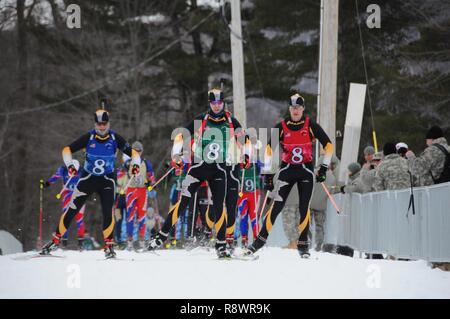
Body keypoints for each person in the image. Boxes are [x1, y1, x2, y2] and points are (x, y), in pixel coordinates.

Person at [147, 88, 251, 258]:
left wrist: (247, 155)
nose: (216, 106)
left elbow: (245, 140)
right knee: (183, 203)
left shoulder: (231, 121)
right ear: (209, 103)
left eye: (219, 103)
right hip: (198, 168)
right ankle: (160, 238)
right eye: (213, 103)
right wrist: (176, 155)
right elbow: (180, 136)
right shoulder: (201, 119)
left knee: (219, 207)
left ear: (223, 103)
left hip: (219, 170)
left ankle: (221, 245)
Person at [40, 103, 141, 259]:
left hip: (107, 179)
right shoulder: (89, 137)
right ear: (95, 124)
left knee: (108, 212)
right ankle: (55, 240)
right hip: (88, 178)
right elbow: (66, 150)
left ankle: (108, 245)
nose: (101, 127)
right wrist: (69, 166)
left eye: (104, 124)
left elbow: (135, 154)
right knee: (72, 209)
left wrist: (135, 166)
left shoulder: (115, 138)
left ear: (108, 124)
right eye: (99, 124)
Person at [244, 93, 334, 258]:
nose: (295, 110)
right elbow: (269, 150)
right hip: (286, 171)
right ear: (289, 109)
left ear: (303, 108)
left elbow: (328, 145)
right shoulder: (281, 126)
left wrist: (323, 168)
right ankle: (258, 242)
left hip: (305, 171)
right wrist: (269, 174)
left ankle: (303, 245)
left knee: (304, 207)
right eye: (293, 107)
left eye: (298, 107)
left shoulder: (310, 125)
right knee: (276, 207)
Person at [42, 159, 86, 250]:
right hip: (67, 193)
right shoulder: (63, 169)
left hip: (79, 193)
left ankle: (81, 241)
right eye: (70, 171)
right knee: (66, 216)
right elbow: (56, 176)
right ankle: (64, 239)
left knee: (79, 217)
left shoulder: (82, 171)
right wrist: (47, 183)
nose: (72, 173)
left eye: (75, 172)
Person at [124, 141, 156, 251]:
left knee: (142, 216)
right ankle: (129, 242)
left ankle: (142, 241)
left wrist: (150, 183)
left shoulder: (146, 163)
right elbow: (121, 173)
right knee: (130, 216)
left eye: (138, 151)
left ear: (141, 151)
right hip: (131, 190)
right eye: (134, 151)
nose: (137, 153)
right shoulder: (128, 162)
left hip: (142, 190)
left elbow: (151, 176)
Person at [310, 154, 339, 252]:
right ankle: (319, 245)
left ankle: (306, 242)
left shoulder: (312, 173)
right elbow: (333, 191)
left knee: (305, 225)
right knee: (320, 226)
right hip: (321, 206)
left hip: (308, 204)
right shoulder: (331, 177)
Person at [237, 160, 262, 247]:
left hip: (254, 193)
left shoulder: (256, 165)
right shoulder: (238, 166)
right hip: (242, 194)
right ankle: (244, 238)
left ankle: (256, 239)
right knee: (243, 217)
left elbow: (266, 167)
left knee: (254, 217)